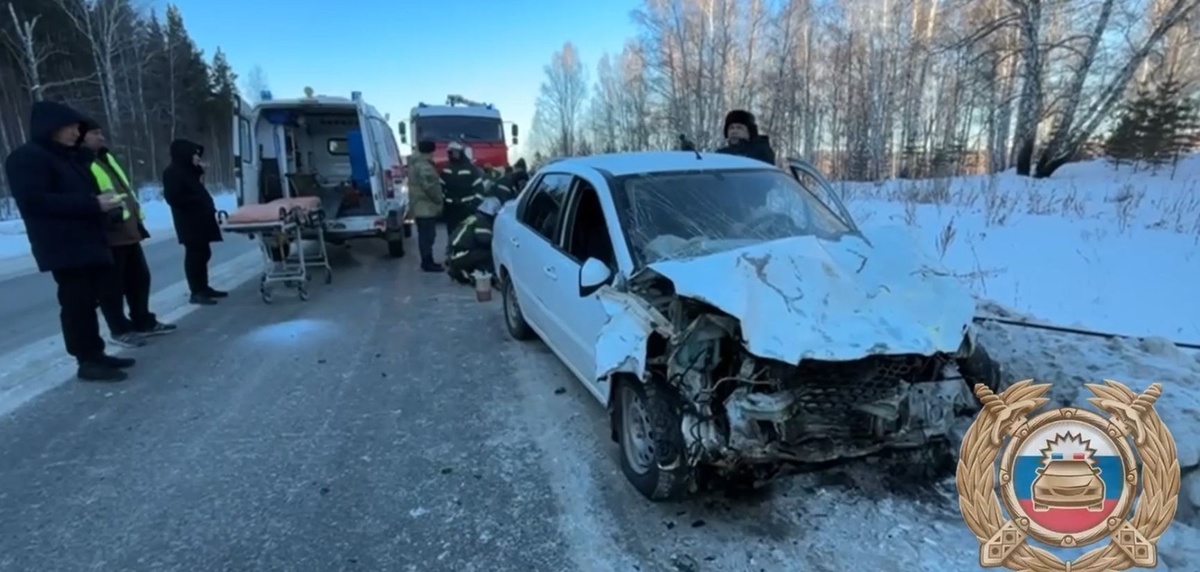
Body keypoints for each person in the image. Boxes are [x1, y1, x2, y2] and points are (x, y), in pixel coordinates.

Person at [3, 101, 136, 382]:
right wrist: (92, 204)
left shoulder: (69, 158)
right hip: (63, 244)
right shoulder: (27, 158)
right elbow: (35, 201)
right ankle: (86, 360)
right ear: (51, 127)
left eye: (79, 128)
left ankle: (96, 353)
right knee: (76, 303)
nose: (78, 133)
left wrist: (103, 207)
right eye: (72, 127)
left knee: (90, 300)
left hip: (88, 240)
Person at [80, 122, 176, 347]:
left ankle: (143, 320)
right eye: (95, 133)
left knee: (139, 279)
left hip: (128, 229)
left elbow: (122, 189)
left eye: (101, 132)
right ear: (82, 137)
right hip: (109, 234)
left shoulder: (105, 158)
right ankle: (119, 329)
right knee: (111, 286)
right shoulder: (81, 162)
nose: (101, 137)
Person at [162, 139, 225, 305]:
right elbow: (174, 197)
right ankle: (196, 291)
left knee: (204, 253)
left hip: (200, 219)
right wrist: (197, 200)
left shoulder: (188, 171)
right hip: (189, 221)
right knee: (195, 255)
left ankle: (203, 287)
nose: (198, 158)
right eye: (195, 154)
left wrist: (199, 170)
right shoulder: (172, 173)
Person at [445, 195, 502, 284]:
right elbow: (485, 240)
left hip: (455, 254)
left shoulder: (474, 217)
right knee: (488, 253)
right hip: (461, 255)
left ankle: (463, 270)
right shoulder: (483, 221)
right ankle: (482, 274)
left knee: (479, 251)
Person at [408, 139, 445, 272]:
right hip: (426, 206)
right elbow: (430, 187)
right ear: (430, 151)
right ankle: (427, 262)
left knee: (425, 235)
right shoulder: (424, 166)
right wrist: (439, 199)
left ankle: (427, 260)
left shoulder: (415, 163)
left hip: (420, 205)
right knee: (427, 236)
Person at [439, 140, 485, 233]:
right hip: (450, 208)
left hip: (466, 208)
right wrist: (443, 203)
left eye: (454, 152)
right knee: (452, 233)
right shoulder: (446, 168)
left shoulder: (471, 168)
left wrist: (473, 205)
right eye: (450, 152)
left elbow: (479, 190)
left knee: (466, 233)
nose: (452, 154)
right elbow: (440, 188)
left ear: (461, 152)